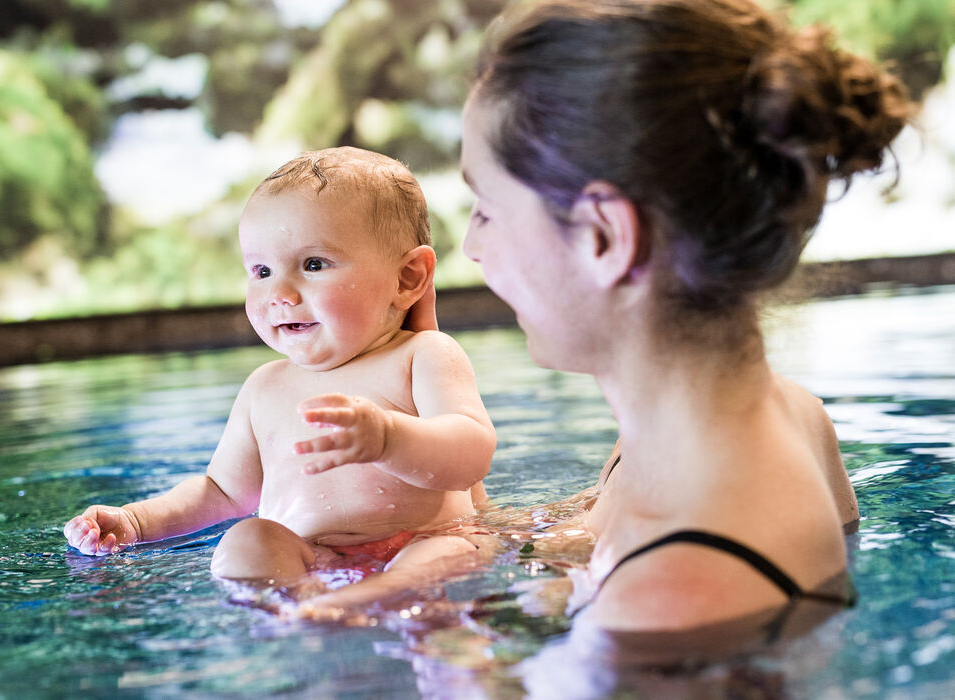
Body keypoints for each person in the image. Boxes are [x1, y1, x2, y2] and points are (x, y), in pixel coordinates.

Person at [453, 0, 910, 631]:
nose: (471, 247)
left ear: (603, 237)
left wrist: (451, 651)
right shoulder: (790, 417)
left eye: (486, 210)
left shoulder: (670, 596)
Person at [64, 147, 496, 614]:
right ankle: (304, 607)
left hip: (426, 540)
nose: (280, 294)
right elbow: (222, 492)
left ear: (407, 278)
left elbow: (471, 454)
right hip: (315, 559)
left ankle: (357, 601)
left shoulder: (421, 355)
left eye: (313, 264)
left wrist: (389, 438)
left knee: (451, 549)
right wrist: (135, 521)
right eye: (262, 271)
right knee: (246, 539)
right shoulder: (264, 388)